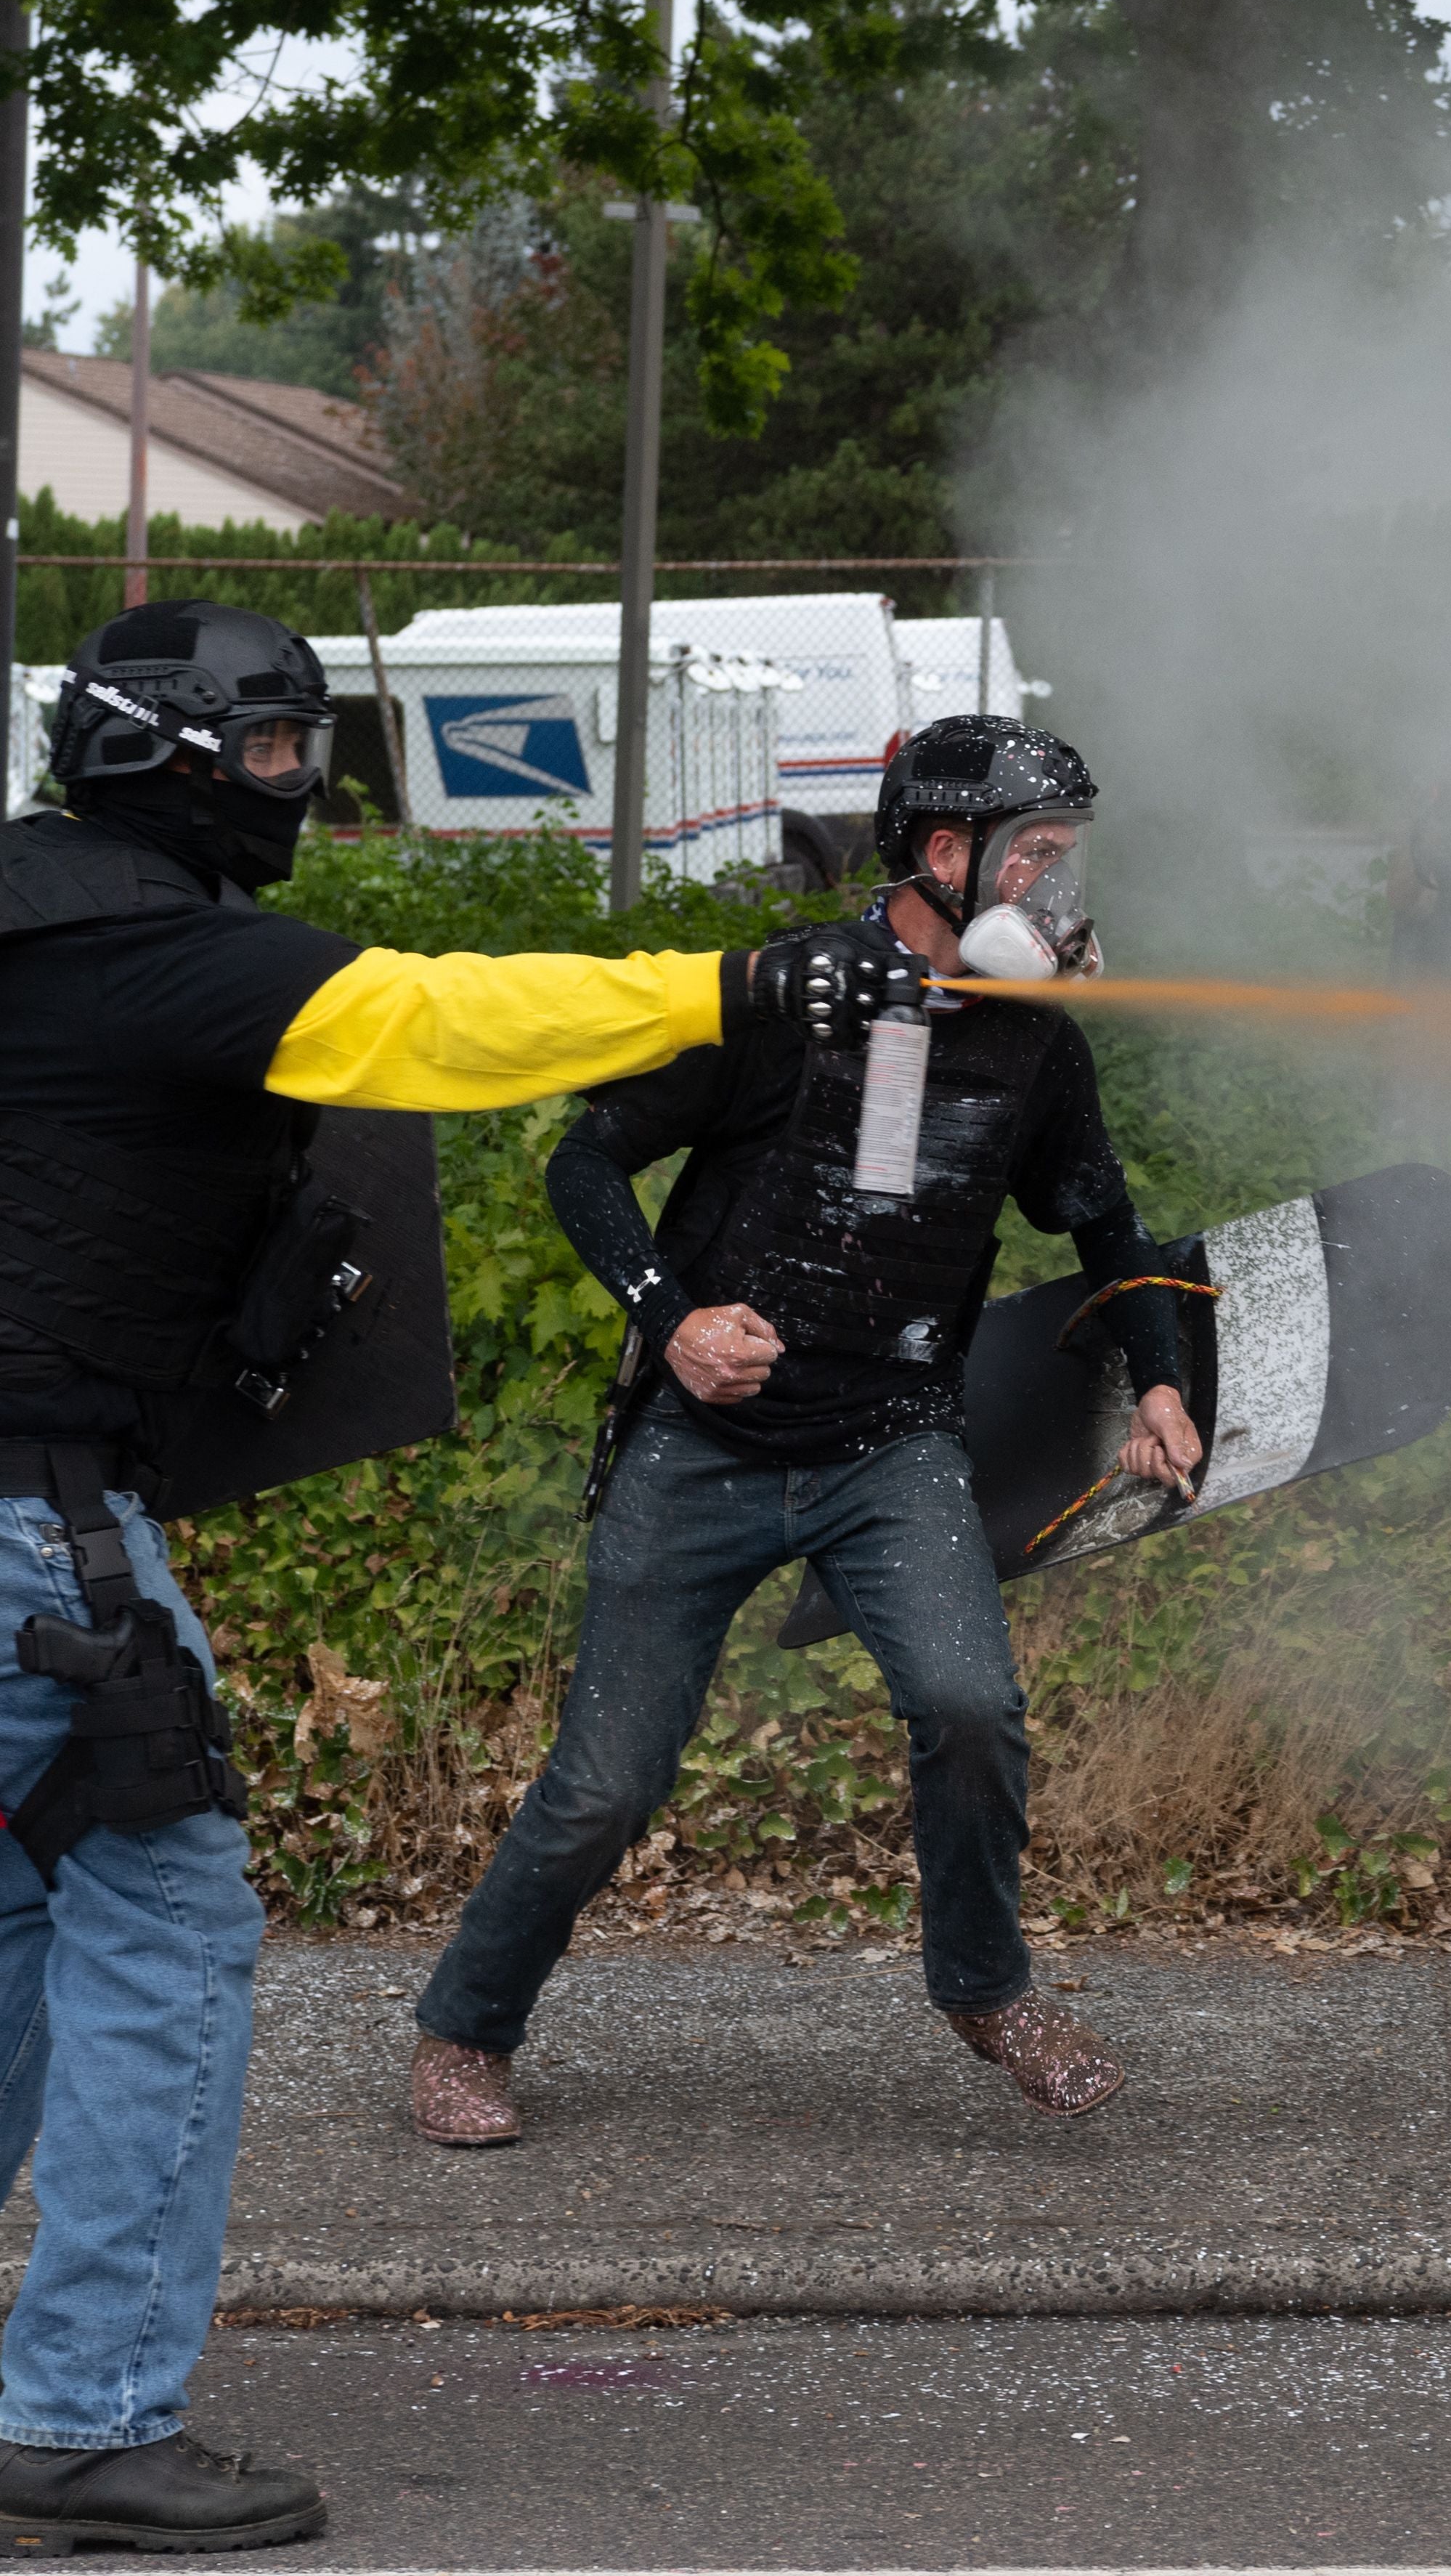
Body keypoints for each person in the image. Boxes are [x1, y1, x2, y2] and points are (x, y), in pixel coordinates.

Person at [0, 600, 797, 2549]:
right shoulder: (150, 952)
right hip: (34, 1515)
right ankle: (83, 2413)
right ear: (154, 752)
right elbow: (435, 1028)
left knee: (23, 1919)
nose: (294, 789)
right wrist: (743, 992)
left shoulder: (32, 910)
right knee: (167, 1926)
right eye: (270, 754)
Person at [410, 719, 1201, 2142]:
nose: (1067, 891)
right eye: (1040, 858)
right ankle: (464, 2027)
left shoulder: (1037, 1043)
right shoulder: (796, 997)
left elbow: (1106, 1224)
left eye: (1072, 860)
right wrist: (671, 1315)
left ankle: (983, 1985)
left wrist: (1157, 1376)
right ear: (945, 854)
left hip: (891, 1443)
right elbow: (583, 1161)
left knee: (969, 1707)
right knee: (607, 1784)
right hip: (703, 1449)